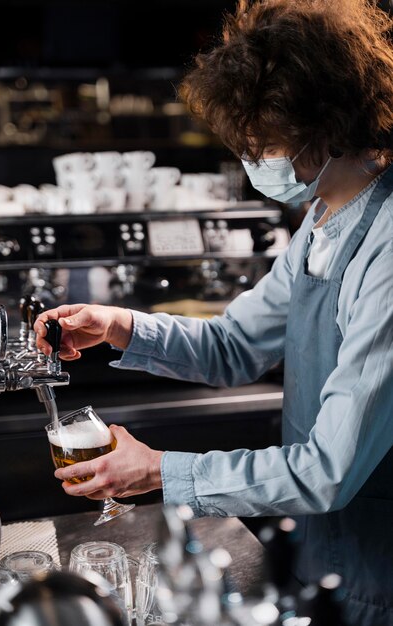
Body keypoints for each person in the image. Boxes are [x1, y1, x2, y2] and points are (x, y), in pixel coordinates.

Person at [35, 1, 393, 624]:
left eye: (268, 141)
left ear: (328, 122)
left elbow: (327, 470)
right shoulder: (324, 218)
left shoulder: (387, 247)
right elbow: (236, 345)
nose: (256, 159)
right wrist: (119, 324)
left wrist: (157, 471)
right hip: (325, 546)